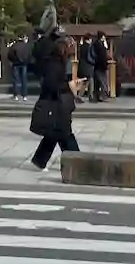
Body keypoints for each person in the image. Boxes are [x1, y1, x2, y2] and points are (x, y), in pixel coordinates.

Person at [30, 31, 78, 169]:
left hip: (59, 103)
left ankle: (39, 160)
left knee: (55, 134)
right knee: (64, 134)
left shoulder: (57, 63)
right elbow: (51, 84)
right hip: (56, 104)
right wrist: (68, 86)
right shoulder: (54, 64)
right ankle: (77, 161)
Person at [8, 32, 33, 100]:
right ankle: (24, 95)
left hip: (16, 63)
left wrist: (13, 60)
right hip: (24, 64)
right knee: (24, 80)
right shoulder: (26, 46)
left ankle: (16, 95)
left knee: (15, 80)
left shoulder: (14, 45)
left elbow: (10, 54)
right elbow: (29, 54)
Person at [89, 32, 111, 102]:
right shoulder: (100, 45)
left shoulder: (95, 44)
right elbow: (103, 56)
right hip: (101, 66)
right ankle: (103, 96)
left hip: (96, 66)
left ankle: (96, 97)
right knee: (103, 82)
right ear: (102, 37)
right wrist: (105, 64)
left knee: (97, 83)